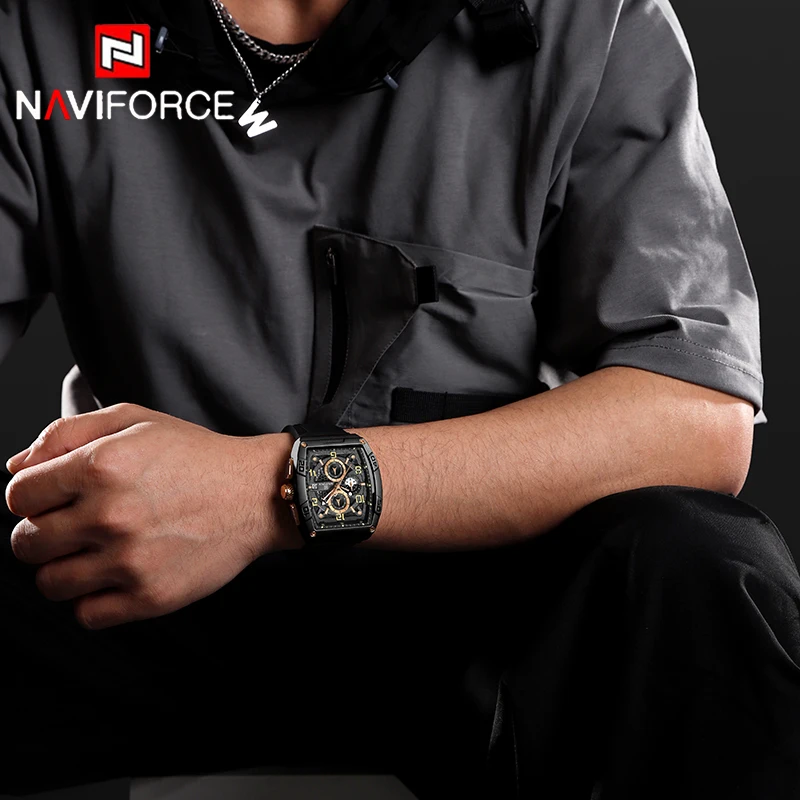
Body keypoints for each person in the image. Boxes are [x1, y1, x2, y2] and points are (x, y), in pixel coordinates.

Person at [1, 0, 798, 797]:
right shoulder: (31, 27)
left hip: (497, 611)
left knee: (702, 564)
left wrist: (263, 493)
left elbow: (696, 418)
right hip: (145, 589)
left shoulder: (585, 18)